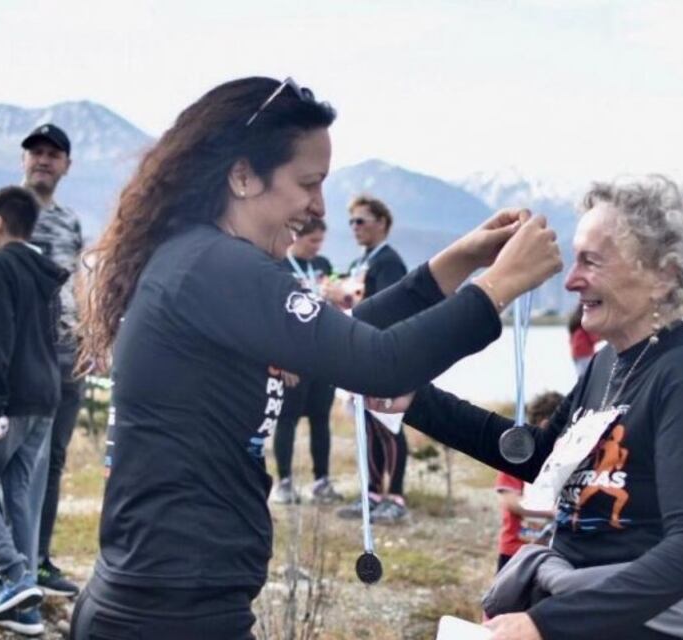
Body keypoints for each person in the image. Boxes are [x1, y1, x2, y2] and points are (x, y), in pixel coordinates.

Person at [69, 76, 561, 639]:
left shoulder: (207, 263)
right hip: (168, 614)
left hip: (166, 600)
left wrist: (458, 263)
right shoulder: (215, 267)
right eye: (308, 182)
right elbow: (380, 363)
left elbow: (346, 337)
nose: (318, 206)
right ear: (243, 175)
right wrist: (498, 287)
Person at [368, 175, 683, 640]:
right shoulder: (610, 361)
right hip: (575, 602)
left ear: (663, 274)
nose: (570, 280)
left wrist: (545, 625)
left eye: (591, 261)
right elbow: (543, 457)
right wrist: (417, 401)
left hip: (642, 623)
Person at [0, 123, 85, 598]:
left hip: (64, 354)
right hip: (19, 353)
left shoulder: (71, 221)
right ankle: (7, 566)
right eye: (35, 152)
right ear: (23, 160)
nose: (43, 159)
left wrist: (90, 338)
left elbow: (78, 283)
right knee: (3, 463)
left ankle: (35, 562)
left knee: (47, 463)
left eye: (53, 154)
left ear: (66, 165)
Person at [0, 186, 68, 636]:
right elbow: (39, 339)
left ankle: (16, 576)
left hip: (10, 401)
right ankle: (25, 612)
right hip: (45, 398)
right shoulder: (44, 271)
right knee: (19, 494)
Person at [331, 195, 413, 523]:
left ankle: (396, 495)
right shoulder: (360, 262)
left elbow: (390, 306)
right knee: (367, 426)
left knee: (389, 425)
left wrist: (349, 300)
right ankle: (372, 492)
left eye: (361, 221)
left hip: (386, 353)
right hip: (360, 353)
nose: (354, 228)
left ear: (382, 222)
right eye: (351, 222)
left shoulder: (388, 262)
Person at [271, 216, 342, 504]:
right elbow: (273, 316)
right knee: (287, 419)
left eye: (321, 241)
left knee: (320, 419)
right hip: (293, 359)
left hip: (323, 356)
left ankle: (321, 481)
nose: (317, 247)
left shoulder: (324, 266)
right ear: (297, 237)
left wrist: (336, 296)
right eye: (313, 241)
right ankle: (284, 482)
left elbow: (338, 304)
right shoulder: (279, 267)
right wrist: (280, 358)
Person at [495, 391, 561, 573]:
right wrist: (552, 513)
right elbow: (510, 502)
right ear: (546, 425)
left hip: (550, 555)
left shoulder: (562, 462)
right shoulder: (517, 458)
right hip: (515, 551)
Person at [568, 303, 599, 376]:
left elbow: (571, 340)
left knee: (581, 375)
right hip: (585, 354)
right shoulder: (585, 324)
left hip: (575, 354)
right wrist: (604, 336)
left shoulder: (574, 324)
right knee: (586, 376)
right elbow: (593, 339)